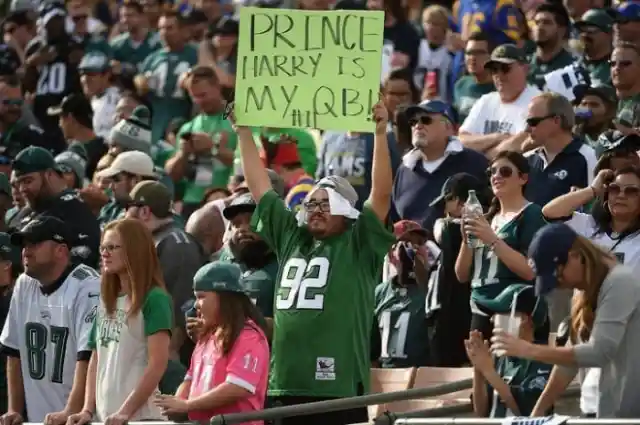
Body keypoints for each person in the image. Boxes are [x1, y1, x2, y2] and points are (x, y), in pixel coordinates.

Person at [231, 98, 395, 425]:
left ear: (346, 214)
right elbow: (261, 188)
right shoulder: (292, 236)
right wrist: (243, 131)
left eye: (327, 204)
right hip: (284, 382)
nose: (316, 210)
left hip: (337, 385)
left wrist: (379, 133)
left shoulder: (358, 242)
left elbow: (380, 195)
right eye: (312, 203)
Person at [491, 222, 640, 418]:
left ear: (575, 256)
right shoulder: (583, 286)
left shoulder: (620, 281)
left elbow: (599, 352)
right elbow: (569, 360)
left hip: (626, 414)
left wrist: (528, 350)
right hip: (594, 408)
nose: (559, 285)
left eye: (558, 276)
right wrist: (539, 411)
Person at [66, 218, 172, 425]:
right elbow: (96, 357)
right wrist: (87, 410)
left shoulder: (155, 298)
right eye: (103, 247)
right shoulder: (107, 301)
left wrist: (125, 412)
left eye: (113, 247)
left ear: (135, 250)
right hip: (107, 417)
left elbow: (157, 364)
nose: (105, 253)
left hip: (141, 418)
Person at [0, 216, 100, 424]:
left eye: (35, 244)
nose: (26, 251)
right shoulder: (24, 284)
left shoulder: (87, 287)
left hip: (81, 420)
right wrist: (14, 410)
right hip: (40, 418)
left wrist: (70, 412)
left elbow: (88, 358)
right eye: (25, 245)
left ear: (61, 250)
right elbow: (13, 352)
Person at [154, 262, 269, 424]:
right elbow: (190, 379)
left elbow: (237, 387)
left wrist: (188, 405)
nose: (196, 305)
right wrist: (176, 403)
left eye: (201, 296)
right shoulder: (207, 336)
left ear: (224, 297)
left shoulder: (248, 336)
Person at [455, 151, 546, 338]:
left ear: (523, 178)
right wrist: (466, 240)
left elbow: (530, 271)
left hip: (512, 306)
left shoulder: (531, 214)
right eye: (492, 172)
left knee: (508, 366)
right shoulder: (486, 218)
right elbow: (462, 275)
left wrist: (493, 240)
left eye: (505, 171)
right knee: (480, 365)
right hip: (478, 307)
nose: (496, 176)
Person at [466, 284, 552, 417]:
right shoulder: (498, 358)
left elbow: (527, 412)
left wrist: (488, 371)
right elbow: (481, 413)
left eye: (500, 313)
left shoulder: (542, 360)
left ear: (523, 320)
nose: (492, 319)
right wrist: (479, 370)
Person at [11, 146, 101, 269]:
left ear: (49, 175)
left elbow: (82, 262)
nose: (22, 189)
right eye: (19, 183)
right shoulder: (28, 212)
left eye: (28, 181)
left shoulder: (73, 210)